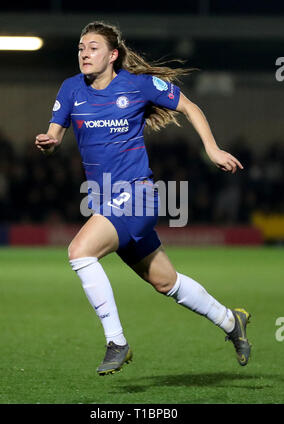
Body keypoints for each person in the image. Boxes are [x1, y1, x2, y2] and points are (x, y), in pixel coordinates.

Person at [35, 21, 251, 376]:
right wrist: (49, 142)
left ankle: (116, 341)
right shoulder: (71, 89)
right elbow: (53, 135)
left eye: (92, 47)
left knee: (79, 251)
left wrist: (211, 149)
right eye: (79, 48)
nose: (84, 53)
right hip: (104, 201)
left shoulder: (138, 85)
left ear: (113, 55)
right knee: (166, 282)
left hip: (137, 196)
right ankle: (232, 321)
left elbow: (190, 107)